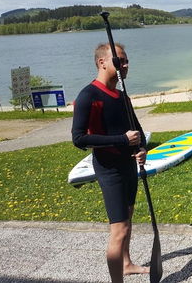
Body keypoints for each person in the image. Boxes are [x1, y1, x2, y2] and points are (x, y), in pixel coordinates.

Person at [71, 43, 149, 282]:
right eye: (119, 61)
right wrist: (122, 140)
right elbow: (79, 138)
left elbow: (138, 129)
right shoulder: (89, 95)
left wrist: (142, 148)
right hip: (109, 168)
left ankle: (126, 263)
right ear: (102, 63)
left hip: (128, 165)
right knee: (120, 229)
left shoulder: (122, 95)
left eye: (126, 61)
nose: (124, 66)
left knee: (128, 217)